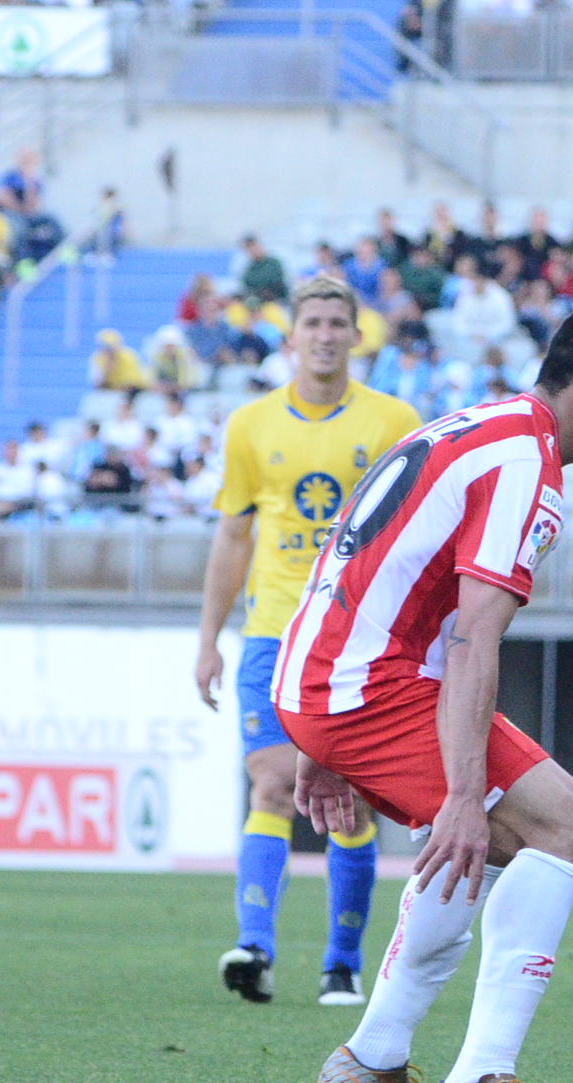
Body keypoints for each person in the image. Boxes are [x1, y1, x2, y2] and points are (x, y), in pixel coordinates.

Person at [281, 295, 573, 1083]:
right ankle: (479, 1080)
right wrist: (464, 793)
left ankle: (377, 1055)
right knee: (568, 829)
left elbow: (356, 548)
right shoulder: (525, 466)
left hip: (330, 676)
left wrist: (316, 731)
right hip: (368, 684)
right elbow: (472, 637)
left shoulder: (476, 426)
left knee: (503, 843)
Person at [195, 276, 425, 1008]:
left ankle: (341, 963)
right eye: (312, 323)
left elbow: (417, 534)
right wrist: (208, 639)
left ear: (357, 336)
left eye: (337, 322)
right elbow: (233, 536)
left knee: (347, 804)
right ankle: (254, 947)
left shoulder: (395, 422)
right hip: (271, 631)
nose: (325, 334)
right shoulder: (250, 426)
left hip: (356, 637)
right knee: (269, 781)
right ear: (290, 337)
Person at [239, 234, 288, 305]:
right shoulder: (248, 270)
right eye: (248, 248)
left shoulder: (274, 263)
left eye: (253, 246)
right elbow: (247, 285)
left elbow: (277, 281)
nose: (252, 250)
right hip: (259, 304)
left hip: (278, 300)